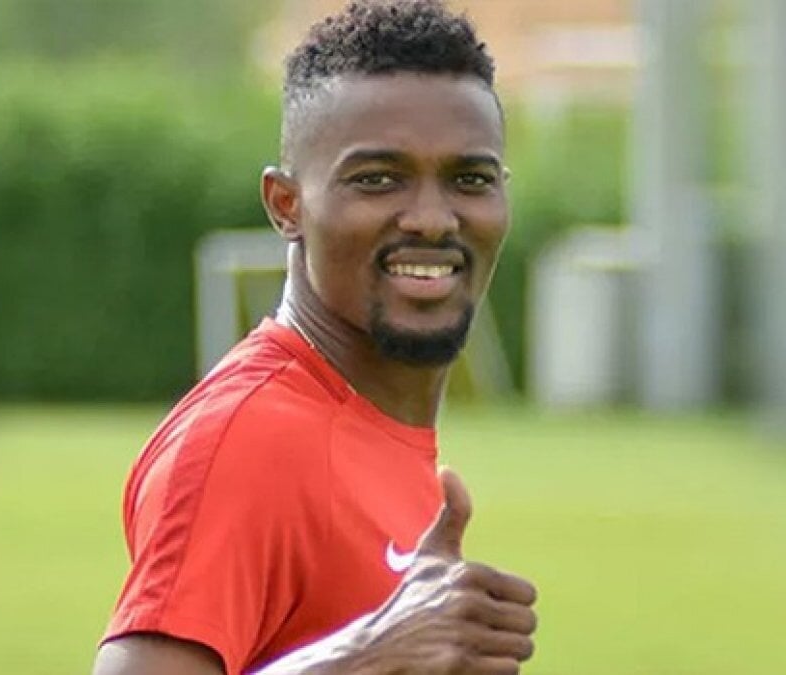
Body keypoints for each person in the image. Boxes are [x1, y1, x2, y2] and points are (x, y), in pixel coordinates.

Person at [92, 1, 537, 673]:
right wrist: (368, 654)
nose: (431, 218)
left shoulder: (372, 426)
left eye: (469, 180)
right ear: (287, 205)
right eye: (377, 179)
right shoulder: (247, 441)